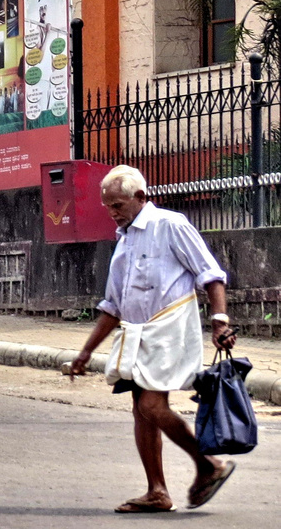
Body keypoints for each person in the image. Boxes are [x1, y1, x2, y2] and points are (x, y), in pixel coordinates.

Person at [69, 165, 239, 513]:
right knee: (141, 411)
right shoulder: (124, 240)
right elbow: (113, 306)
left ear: (141, 198)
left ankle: (209, 464)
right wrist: (85, 352)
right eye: (108, 206)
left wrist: (220, 321)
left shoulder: (170, 225)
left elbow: (211, 275)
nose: (113, 212)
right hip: (136, 333)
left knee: (151, 406)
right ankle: (157, 491)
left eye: (118, 204)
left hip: (170, 328)